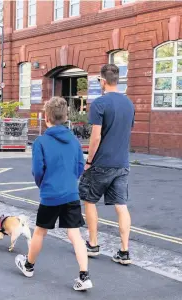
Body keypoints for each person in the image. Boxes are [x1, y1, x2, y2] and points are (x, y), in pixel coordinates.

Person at [15, 97, 93, 291]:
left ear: (46, 118)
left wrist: (43, 184)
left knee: (40, 231)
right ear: (65, 117)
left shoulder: (41, 141)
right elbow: (79, 166)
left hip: (50, 194)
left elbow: (37, 170)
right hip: (71, 193)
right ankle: (84, 276)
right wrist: (69, 181)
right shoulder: (74, 141)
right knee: (75, 234)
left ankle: (29, 266)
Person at [79, 64, 135, 265]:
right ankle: (124, 251)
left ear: (103, 81)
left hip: (101, 163)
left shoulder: (100, 103)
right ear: (117, 80)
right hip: (122, 163)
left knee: (90, 200)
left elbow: (95, 138)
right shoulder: (129, 104)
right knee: (121, 206)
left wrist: (89, 161)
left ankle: (93, 244)